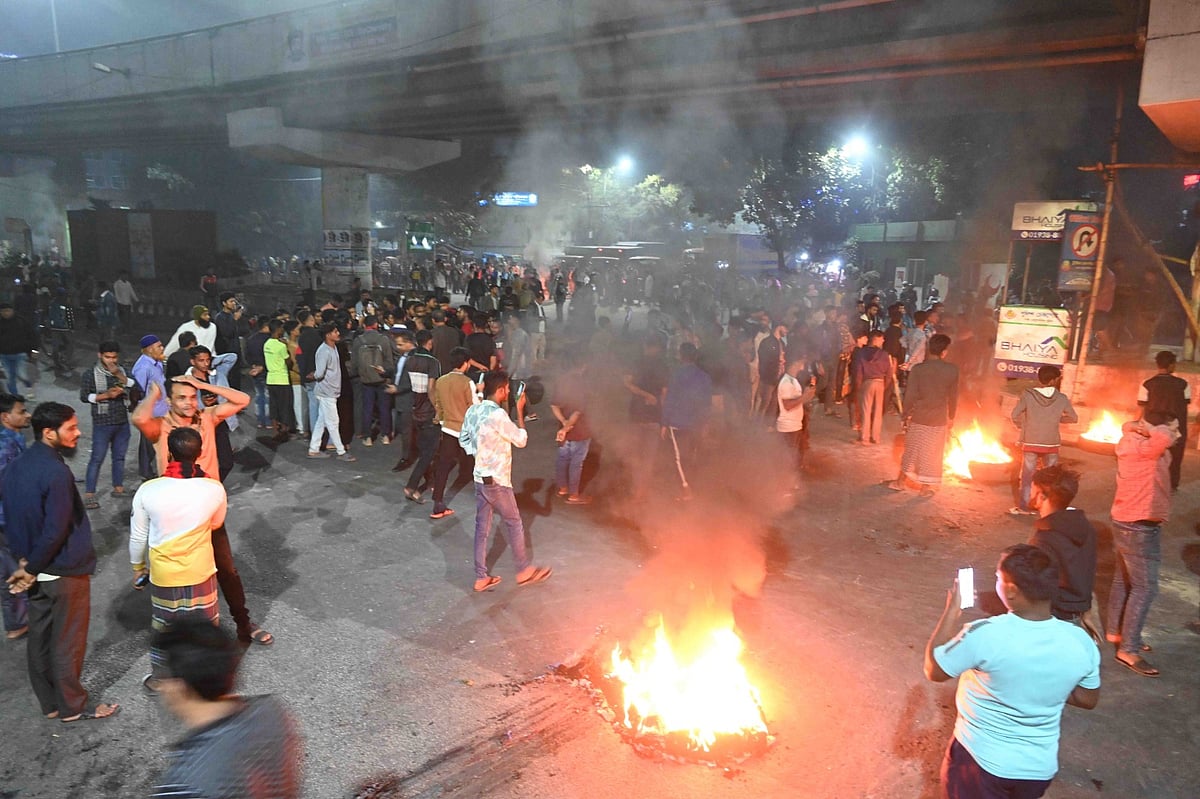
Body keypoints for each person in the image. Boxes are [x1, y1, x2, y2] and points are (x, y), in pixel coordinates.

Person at [924, 544, 1100, 799]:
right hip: (1037, 770)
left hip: (980, 761)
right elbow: (1088, 698)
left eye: (998, 578)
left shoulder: (985, 633)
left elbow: (934, 669)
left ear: (1012, 591)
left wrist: (951, 612)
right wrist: (1045, 681)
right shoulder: (1080, 641)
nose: (996, 583)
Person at [4, 402, 120, 722]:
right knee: (67, 641)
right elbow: (56, 529)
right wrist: (32, 567)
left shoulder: (16, 465)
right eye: (71, 428)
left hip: (34, 566)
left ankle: (51, 703)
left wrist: (25, 563)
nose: (78, 433)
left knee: (40, 637)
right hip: (61, 569)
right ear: (48, 433)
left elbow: (11, 519)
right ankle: (74, 706)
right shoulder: (56, 472)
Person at [130, 427, 225, 679]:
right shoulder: (214, 488)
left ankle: (161, 679)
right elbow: (216, 524)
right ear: (199, 453)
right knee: (206, 628)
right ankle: (208, 678)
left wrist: (138, 568)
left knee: (164, 629)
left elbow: (138, 537)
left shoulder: (148, 490)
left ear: (169, 453)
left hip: (164, 575)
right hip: (201, 572)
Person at [458, 370, 551, 592]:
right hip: (498, 481)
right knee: (514, 523)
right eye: (508, 389)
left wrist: (479, 453)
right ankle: (523, 570)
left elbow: (463, 439)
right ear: (500, 391)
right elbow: (520, 440)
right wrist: (520, 411)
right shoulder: (498, 416)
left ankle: (481, 577)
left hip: (480, 478)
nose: (509, 392)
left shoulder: (473, 410)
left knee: (482, 528)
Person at [1107, 411, 1179, 677]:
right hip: (1140, 524)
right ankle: (1129, 648)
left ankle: (1116, 632)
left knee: (1123, 580)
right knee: (1145, 587)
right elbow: (1162, 440)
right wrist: (1160, 428)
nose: (1173, 434)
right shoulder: (1147, 445)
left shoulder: (1132, 441)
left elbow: (1162, 444)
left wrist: (1147, 428)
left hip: (1125, 520)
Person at [889, 333, 957, 497]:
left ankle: (900, 482)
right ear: (944, 352)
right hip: (939, 418)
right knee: (933, 452)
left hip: (920, 417)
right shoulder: (952, 370)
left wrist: (905, 415)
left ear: (929, 349)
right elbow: (954, 396)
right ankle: (926, 487)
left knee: (912, 450)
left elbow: (910, 395)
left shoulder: (919, 369)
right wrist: (952, 416)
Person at [1009, 365, 1078, 515]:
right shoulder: (1061, 398)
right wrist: (1056, 419)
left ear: (1040, 379)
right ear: (1054, 380)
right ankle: (1050, 507)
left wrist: (1024, 426)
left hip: (1031, 441)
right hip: (1051, 443)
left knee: (1028, 476)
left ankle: (1025, 507)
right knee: (1051, 478)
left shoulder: (1027, 395)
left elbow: (1014, 415)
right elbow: (1074, 418)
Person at [79, 340, 134, 509]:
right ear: (100, 356)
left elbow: (132, 384)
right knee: (97, 459)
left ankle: (118, 488)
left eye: (114, 357)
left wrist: (118, 374)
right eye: (108, 357)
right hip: (102, 423)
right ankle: (89, 494)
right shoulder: (90, 374)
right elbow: (84, 396)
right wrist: (106, 396)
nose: (111, 360)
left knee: (119, 457)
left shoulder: (121, 370)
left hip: (121, 421)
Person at [661, 342, 713, 501]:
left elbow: (670, 399)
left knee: (678, 457)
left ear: (681, 356)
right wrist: (705, 423)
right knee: (692, 454)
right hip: (696, 422)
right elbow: (706, 403)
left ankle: (685, 489)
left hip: (677, 422)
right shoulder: (705, 377)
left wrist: (664, 422)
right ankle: (694, 486)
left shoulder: (676, 375)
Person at [428, 347, 476, 519]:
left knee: (444, 466)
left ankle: (438, 503)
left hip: (448, 429)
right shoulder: (467, 382)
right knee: (478, 466)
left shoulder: (441, 381)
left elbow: (438, 405)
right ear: (466, 363)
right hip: (465, 431)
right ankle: (489, 501)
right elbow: (474, 408)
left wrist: (443, 422)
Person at [0, 393, 30, 640]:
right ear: (5, 417)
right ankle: (18, 622)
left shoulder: (14, 439)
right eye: (21, 411)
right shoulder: (5, 446)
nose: (26, 415)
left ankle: (17, 620)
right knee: (13, 569)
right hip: (6, 518)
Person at [1138, 350, 1190, 492]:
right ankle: (1171, 485)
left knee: (1151, 456)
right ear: (1172, 365)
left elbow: (1141, 407)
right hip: (1176, 427)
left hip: (1151, 426)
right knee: (1175, 457)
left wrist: (1137, 425)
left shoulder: (1146, 384)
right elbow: (1185, 405)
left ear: (1157, 364)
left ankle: (1148, 483)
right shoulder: (1183, 384)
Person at [401, 329, 442, 503]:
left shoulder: (409, 360)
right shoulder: (433, 362)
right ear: (430, 342)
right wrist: (438, 410)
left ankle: (428, 483)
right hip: (427, 411)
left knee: (425, 449)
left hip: (413, 409)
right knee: (429, 452)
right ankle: (412, 485)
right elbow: (431, 389)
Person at [306, 323, 356, 462]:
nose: (338, 333)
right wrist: (314, 375)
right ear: (328, 335)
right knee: (333, 422)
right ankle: (341, 451)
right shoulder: (324, 351)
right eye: (335, 331)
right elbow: (320, 372)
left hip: (330, 390)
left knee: (322, 421)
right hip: (326, 391)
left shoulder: (332, 348)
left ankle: (313, 449)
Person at [551, 356, 593, 504]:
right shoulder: (582, 383)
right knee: (576, 463)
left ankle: (562, 488)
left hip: (564, 431)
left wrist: (563, 424)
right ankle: (574, 495)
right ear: (584, 366)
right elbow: (578, 411)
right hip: (580, 431)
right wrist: (567, 426)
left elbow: (554, 405)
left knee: (562, 459)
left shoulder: (562, 381)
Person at [351, 315, 396, 447]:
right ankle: (385, 435)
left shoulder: (358, 340)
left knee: (367, 408)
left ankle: (367, 437)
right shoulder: (384, 339)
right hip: (381, 378)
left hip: (365, 379)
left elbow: (354, 363)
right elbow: (389, 361)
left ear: (364, 326)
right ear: (376, 324)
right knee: (384, 408)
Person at [776, 352, 818, 489]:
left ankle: (791, 481)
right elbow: (788, 405)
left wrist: (810, 390)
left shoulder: (793, 381)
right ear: (794, 364)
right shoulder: (785, 383)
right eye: (801, 364)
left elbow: (802, 399)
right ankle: (785, 485)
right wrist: (804, 397)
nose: (802, 368)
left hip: (795, 425)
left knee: (794, 456)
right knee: (788, 457)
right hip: (787, 427)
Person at [131, 334, 168, 481]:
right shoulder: (142, 367)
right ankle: (146, 473)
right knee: (148, 446)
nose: (162, 348)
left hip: (162, 410)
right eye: (159, 346)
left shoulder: (157, 363)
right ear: (150, 349)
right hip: (151, 413)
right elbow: (137, 391)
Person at [853, 330, 892, 445]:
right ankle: (876, 437)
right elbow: (889, 372)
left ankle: (865, 438)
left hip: (867, 382)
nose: (883, 341)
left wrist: (858, 386)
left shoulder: (861, 353)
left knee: (866, 410)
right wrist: (886, 385)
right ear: (875, 339)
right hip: (880, 382)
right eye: (882, 338)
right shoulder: (884, 354)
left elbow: (858, 371)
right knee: (878, 411)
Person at [263, 319, 294, 442]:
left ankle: (275, 430)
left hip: (271, 378)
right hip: (282, 379)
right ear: (278, 329)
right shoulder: (281, 346)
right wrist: (286, 347)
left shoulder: (267, 344)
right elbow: (289, 362)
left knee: (274, 406)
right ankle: (285, 431)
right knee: (284, 406)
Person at [0, 302, 37, 397]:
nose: (5, 313)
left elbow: (32, 336)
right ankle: (15, 398)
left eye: (7, 310)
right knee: (10, 377)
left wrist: (34, 350)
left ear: (12, 310)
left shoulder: (21, 321)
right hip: (4, 355)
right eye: (3, 311)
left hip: (20, 354)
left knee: (22, 374)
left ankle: (29, 387)